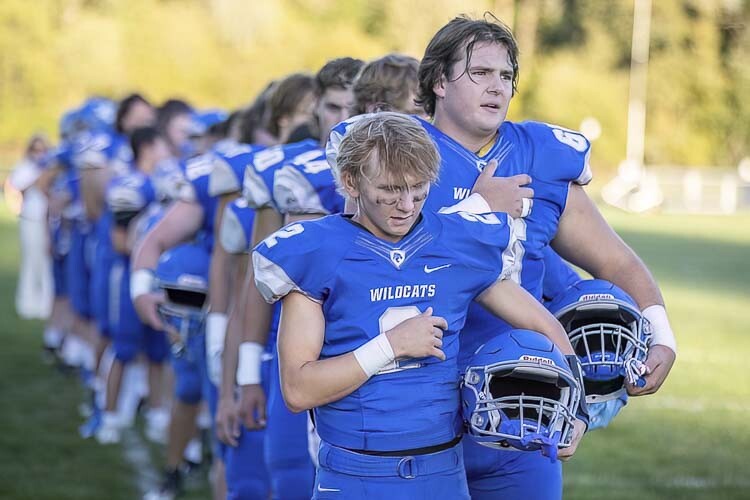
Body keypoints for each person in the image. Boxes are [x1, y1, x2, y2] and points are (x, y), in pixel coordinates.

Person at [409, 15, 675, 499]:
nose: (497, 87)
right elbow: (382, 264)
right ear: (438, 81)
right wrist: (477, 210)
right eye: (480, 73)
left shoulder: (539, 158)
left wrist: (663, 336)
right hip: (417, 422)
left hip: (526, 415)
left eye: (506, 76)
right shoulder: (400, 157)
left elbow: (617, 263)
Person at [253, 113, 582, 499]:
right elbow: (297, 388)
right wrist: (390, 346)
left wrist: (578, 412)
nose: (406, 204)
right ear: (350, 181)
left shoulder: (462, 242)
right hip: (354, 475)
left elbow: (545, 326)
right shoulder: (317, 250)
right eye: (390, 190)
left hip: (442, 474)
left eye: (418, 188)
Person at [9, 134, 54, 320]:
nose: (39, 153)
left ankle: (46, 304)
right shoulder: (25, 168)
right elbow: (19, 188)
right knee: (31, 260)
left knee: (47, 262)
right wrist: (37, 178)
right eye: (36, 150)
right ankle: (27, 303)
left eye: (42, 149)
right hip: (30, 219)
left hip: (49, 220)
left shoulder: (52, 168)